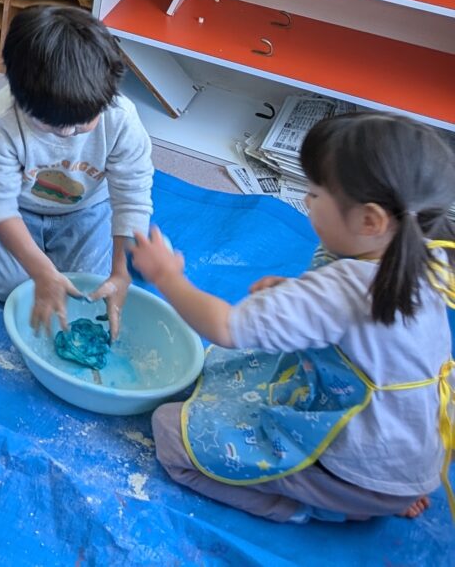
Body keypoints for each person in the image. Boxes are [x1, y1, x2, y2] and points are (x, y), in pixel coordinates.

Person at [133, 113, 455, 524]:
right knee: (228, 368)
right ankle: (380, 495)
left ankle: (311, 507)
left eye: (316, 193)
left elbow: (226, 327)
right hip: (410, 456)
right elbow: (363, 326)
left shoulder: (341, 291)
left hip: (355, 469)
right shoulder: (425, 253)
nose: (306, 201)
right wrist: (294, 291)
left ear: (370, 220)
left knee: (169, 432)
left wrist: (167, 276)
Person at [0, 6, 155, 338]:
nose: (68, 133)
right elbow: (2, 208)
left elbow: (132, 196)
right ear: (20, 98)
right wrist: (41, 271)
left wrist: (121, 272)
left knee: (86, 288)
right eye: (51, 125)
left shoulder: (121, 119)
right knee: (10, 288)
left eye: (83, 124)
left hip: (85, 209)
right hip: (18, 207)